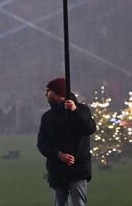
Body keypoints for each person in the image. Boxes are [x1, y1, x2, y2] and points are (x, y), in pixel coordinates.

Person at [37, 78, 96, 206]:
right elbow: (42, 144)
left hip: (78, 168)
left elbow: (89, 129)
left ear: (59, 93)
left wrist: (75, 111)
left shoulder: (81, 110)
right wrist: (58, 154)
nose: (46, 94)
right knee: (60, 203)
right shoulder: (48, 117)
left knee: (78, 203)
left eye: (49, 91)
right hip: (57, 169)